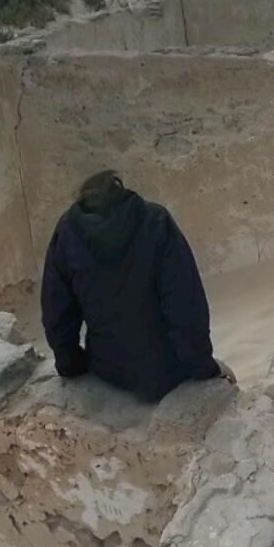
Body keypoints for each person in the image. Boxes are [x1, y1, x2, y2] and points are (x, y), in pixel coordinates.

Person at [41, 170, 235, 402]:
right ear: (120, 189)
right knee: (229, 379)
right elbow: (185, 306)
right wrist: (203, 367)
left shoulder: (66, 231)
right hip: (168, 370)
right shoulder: (156, 220)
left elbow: (56, 313)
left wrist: (70, 365)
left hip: (107, 370)